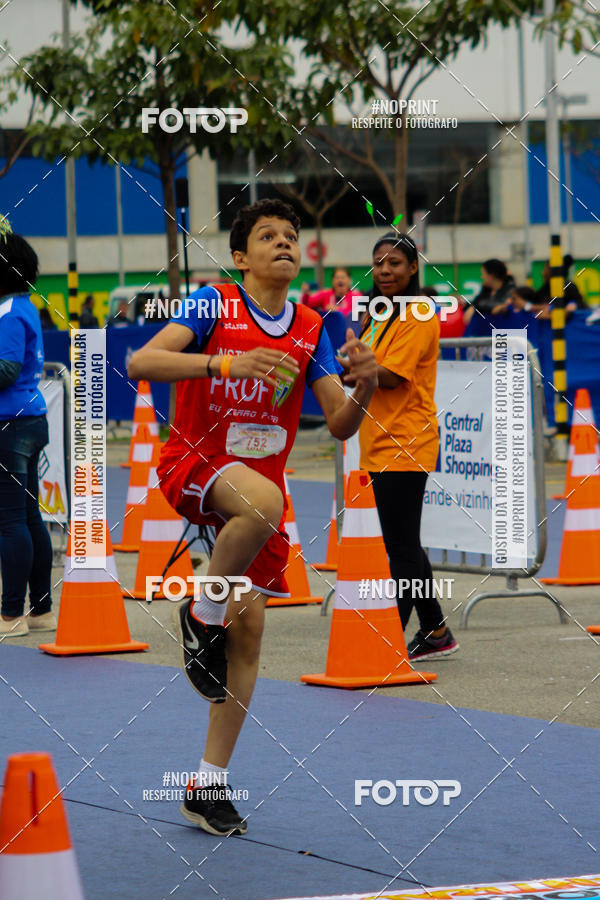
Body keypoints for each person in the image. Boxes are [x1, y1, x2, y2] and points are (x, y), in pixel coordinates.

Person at [128, 198, 377, 836]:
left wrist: (366, 384)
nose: (284, 242)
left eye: (292, 234)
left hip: (258, 494)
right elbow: (141, 363)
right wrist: (222, 363)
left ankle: (207, 784)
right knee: (263, 507)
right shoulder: (214, 304)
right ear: (240, 257)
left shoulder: (313, 327)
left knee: (250, 634)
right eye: (268, 235)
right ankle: (200, 609)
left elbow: (341, 422)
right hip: (194, 461)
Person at [340, 231, 458, 662]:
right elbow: (363, 369)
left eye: (394, 263)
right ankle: (436, 630)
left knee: (400, 547)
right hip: (378, 440)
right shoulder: (377, 313)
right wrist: (347, 367)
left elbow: (390, 375)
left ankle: (389, 636)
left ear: (412, 268)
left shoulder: (420, 313)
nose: (385, 270)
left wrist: (354, 368)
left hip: (406, 442)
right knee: (403, 542)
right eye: (378, 263)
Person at [0, 228, 56, 636]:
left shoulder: (9, 311)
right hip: (28, 420)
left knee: (11, 521)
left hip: (11, 423)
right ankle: (39, 610)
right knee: (28, 517)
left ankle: (10, 614)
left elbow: (6, 369)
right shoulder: (23, 306)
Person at [465, 259, 515, 325]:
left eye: (483, 274)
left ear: (491, 275)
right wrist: (465, 304)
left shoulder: (511, 290)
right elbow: (477, 303)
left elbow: (496, 307)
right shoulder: (486, 291)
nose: (481, 277)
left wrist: (474, 308)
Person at [534, 255, 586, 319]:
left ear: (554, 271)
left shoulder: (568, 287)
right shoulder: (544, 289)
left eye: (545, 268)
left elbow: (579, 304)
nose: (542, 273)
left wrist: (573, 305)